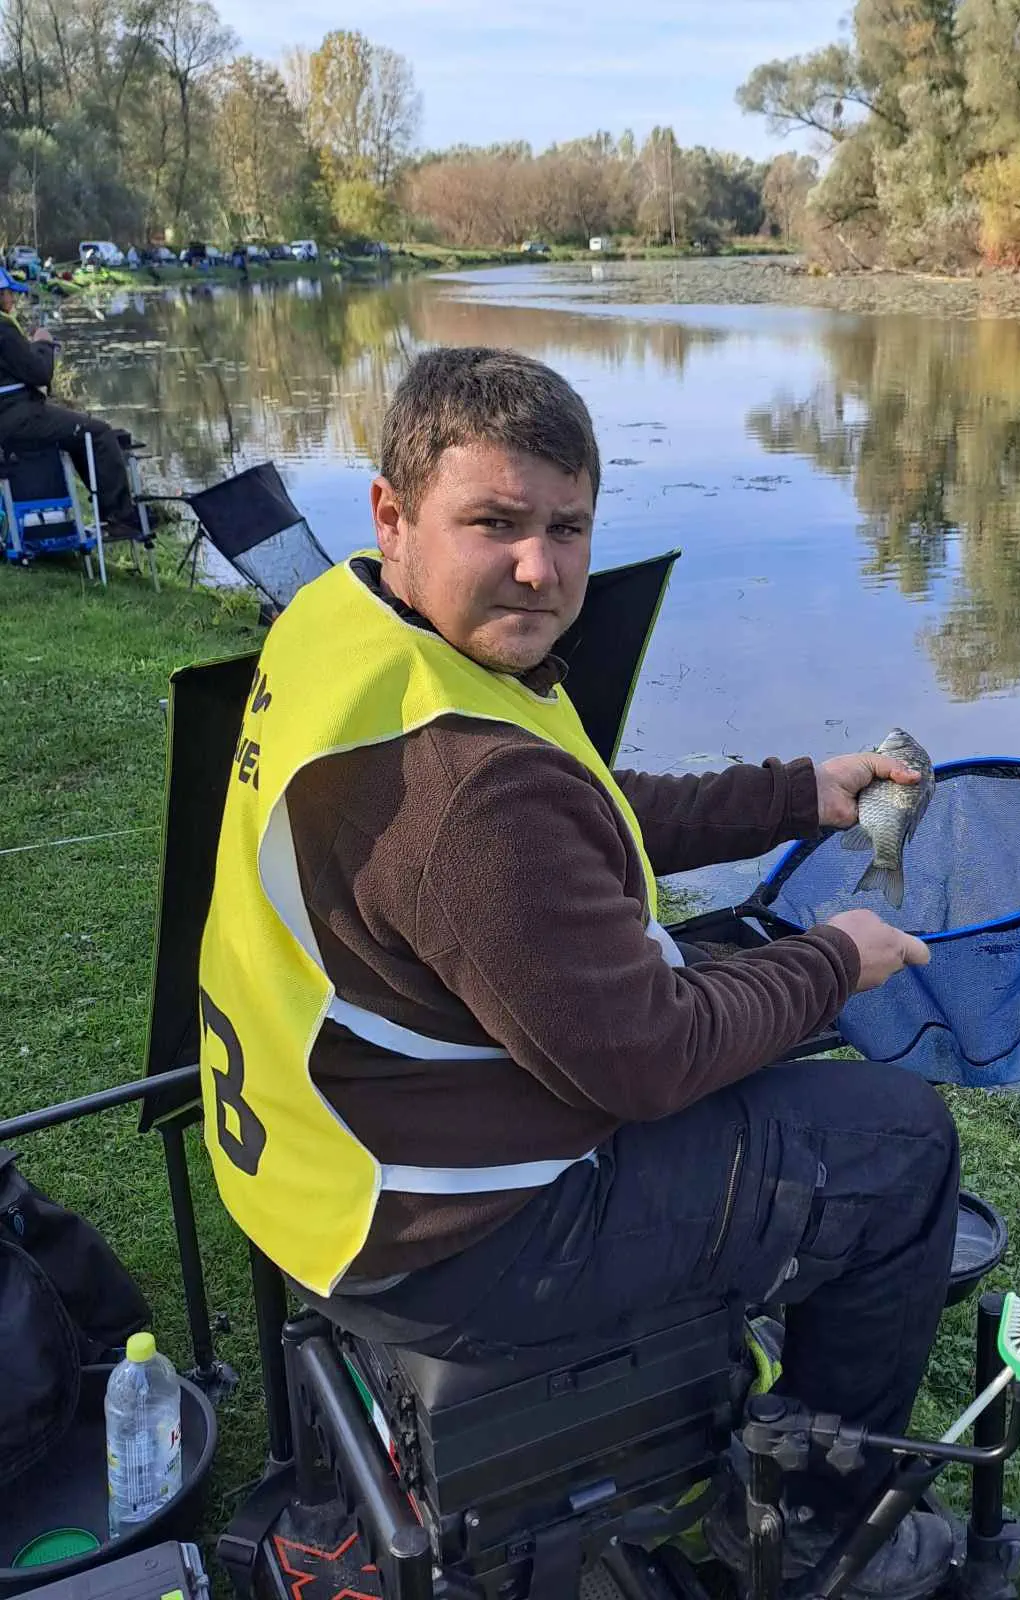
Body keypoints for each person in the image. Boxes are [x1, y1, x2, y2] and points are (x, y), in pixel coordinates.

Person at [198, 346, 962, 1598]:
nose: (543, 569)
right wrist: (837, 958)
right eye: (494, 523)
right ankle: (818, 1525)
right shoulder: (468, 794)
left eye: (567, 527)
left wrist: (793, 795)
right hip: (455, 1240)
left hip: (308, 1167)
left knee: (754, 1006)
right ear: (393, 512)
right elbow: (652, 1057)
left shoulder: (347, 622)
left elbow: (571, 812)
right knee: (900, 1143)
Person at [0, 265, 142, 540]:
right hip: (18, 418)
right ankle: (121, 517)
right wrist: (43, 344)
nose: (12, 300)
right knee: (99, 433)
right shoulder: (3, 329)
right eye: (8, 293)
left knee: (80, 432)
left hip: (9, 417)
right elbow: (40, 373)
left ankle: (111, 512)